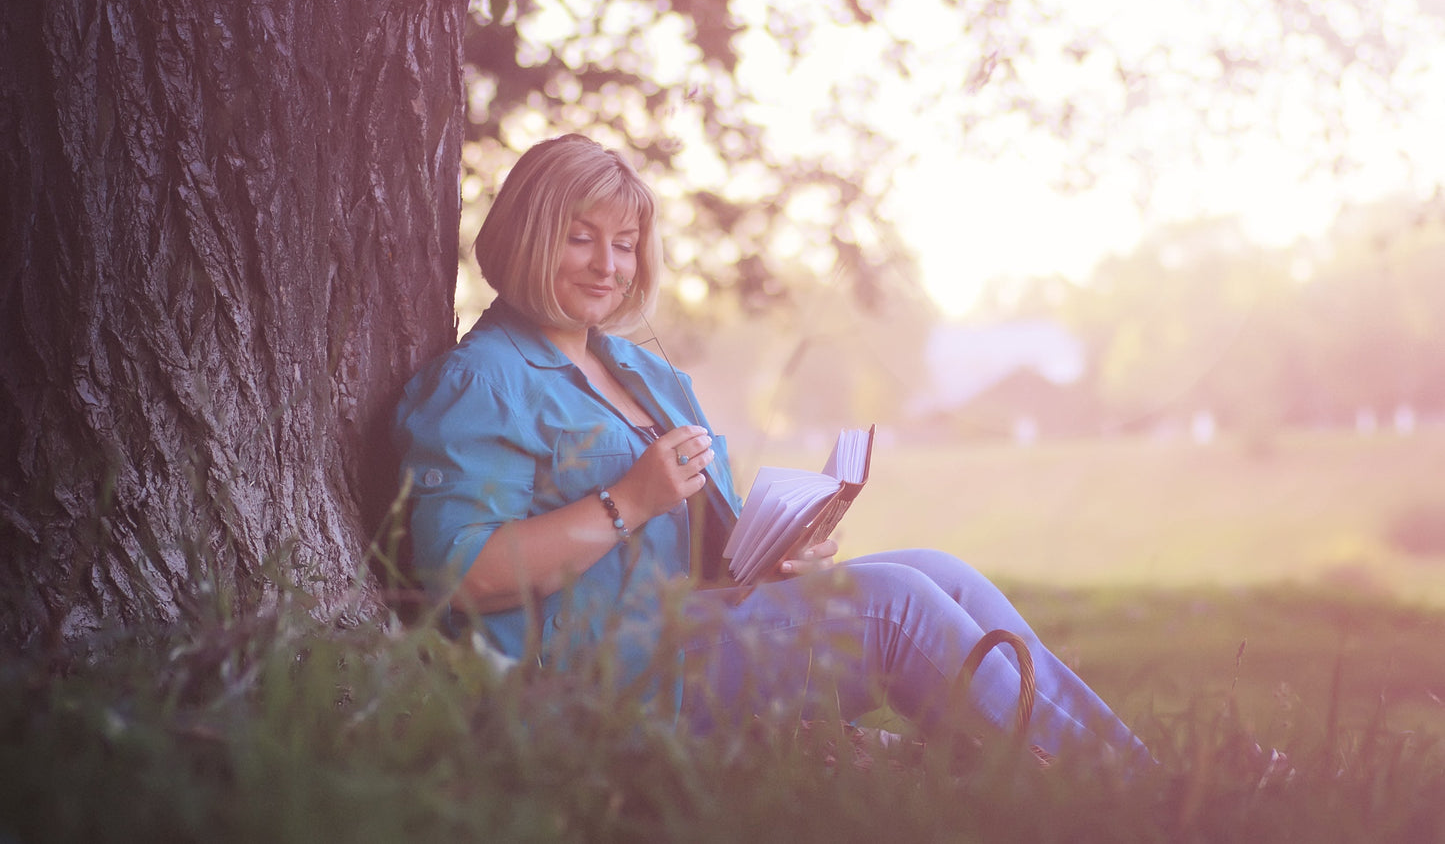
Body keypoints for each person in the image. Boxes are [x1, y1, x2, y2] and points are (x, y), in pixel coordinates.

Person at [392, 133, 1152, 769]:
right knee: (892, 606)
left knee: (932, 569)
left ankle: (1136, 772)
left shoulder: (640, 371)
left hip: (690, 628)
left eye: (623, 244)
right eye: (580, 238)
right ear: (527, 236)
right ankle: (1113, 791)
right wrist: (626, 501)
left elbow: (677, 550)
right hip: (609, 682)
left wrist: (765, 553)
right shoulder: (482, 380)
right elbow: (461, 572)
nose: (607, 265)